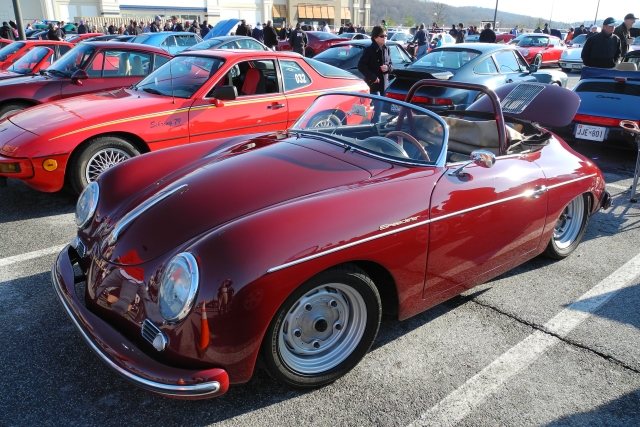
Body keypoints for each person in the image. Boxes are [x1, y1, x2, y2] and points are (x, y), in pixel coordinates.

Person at [357, 25, 393, 124]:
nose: (385, 38)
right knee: (379, 107)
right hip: (373, 84)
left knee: (379, 109)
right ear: (375, 37)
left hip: (384, 85)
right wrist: (372, 76)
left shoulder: (387, 49)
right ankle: (375, 129)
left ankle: (374, 126)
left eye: (386, 35)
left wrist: (387, 68)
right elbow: (361, 66)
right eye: (382, 36)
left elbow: (391, 65)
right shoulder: (369, 50)